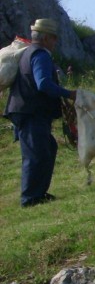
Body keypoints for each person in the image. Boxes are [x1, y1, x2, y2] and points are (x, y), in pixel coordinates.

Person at [4, 18, 76, 207]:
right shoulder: (40, 55)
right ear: (45, 38)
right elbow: (43, 84)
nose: (55, 42)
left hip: (25, 110)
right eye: (53, 38)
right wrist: (69, 94)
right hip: (31, 111)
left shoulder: (28, 52)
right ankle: (30, 198)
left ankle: (38, 193)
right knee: (36, 154)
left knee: (46, 148)